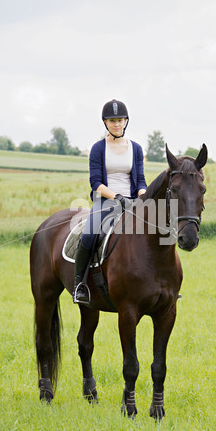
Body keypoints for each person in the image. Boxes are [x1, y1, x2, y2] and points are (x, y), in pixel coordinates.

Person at [73, 99, 147, 303]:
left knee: (159, 232)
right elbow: (95, 183)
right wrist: (117, 197)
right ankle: (79, 284)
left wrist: (142, 196)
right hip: (106, 201)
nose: (117, 124)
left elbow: (140, 181)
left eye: (120, 120)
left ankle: (163, 282)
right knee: (88, 236)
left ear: (126, 121)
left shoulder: (136, 149)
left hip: (132, 202)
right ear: (105, 122)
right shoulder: (98, 149)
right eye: (112, 120)